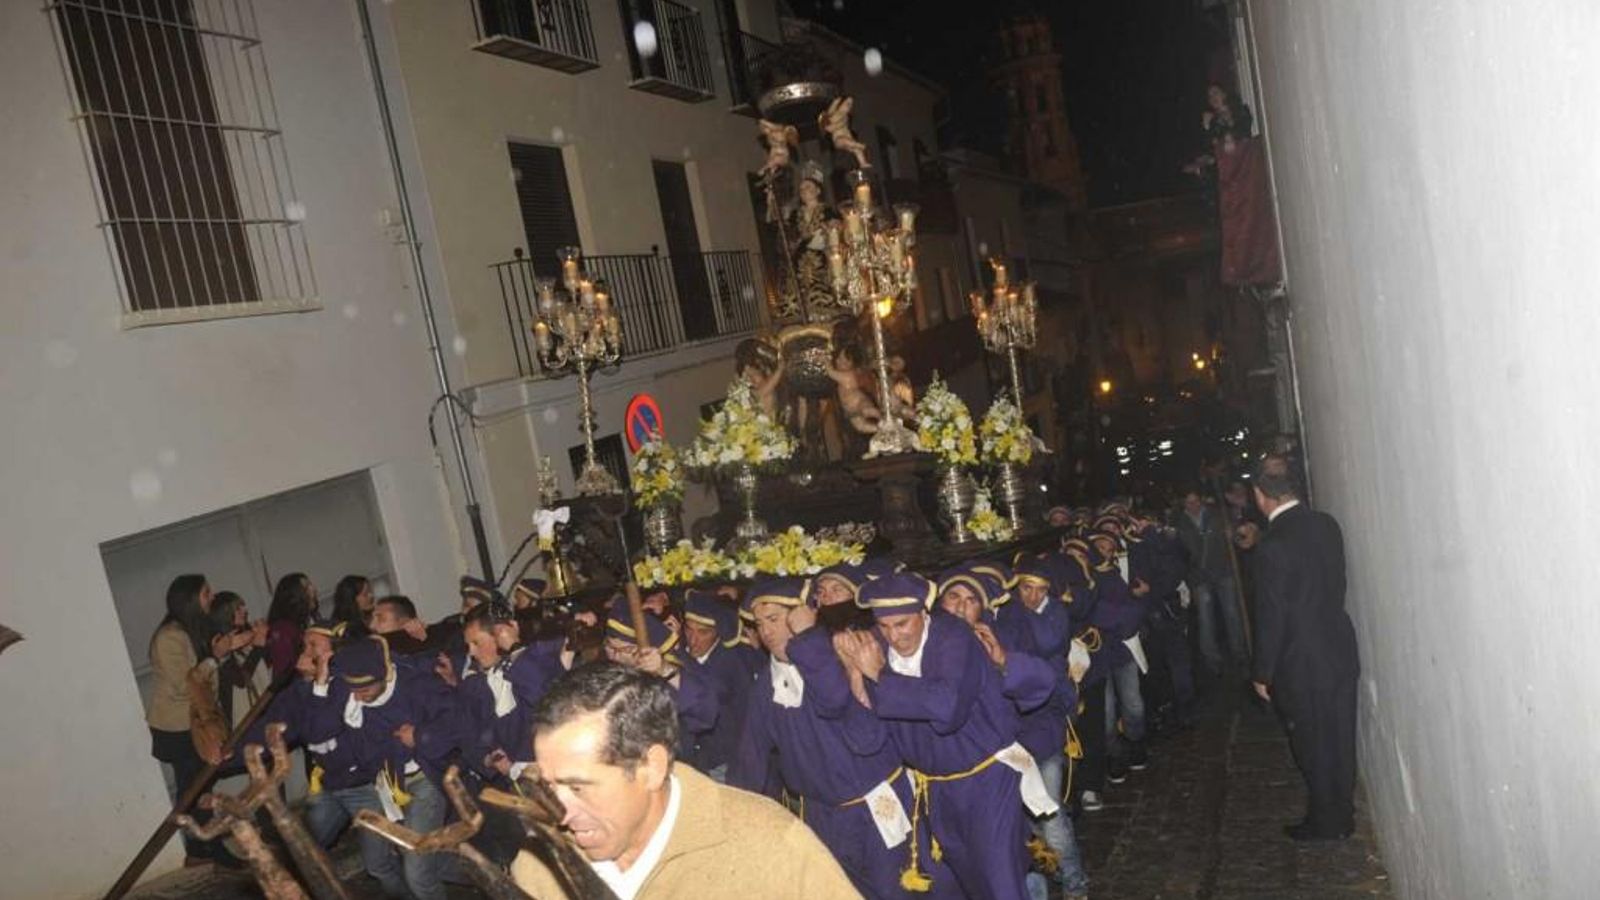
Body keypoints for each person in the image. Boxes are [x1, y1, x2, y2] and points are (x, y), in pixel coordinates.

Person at [510, 661, 861, 899]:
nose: (559, 812)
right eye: (548, 785)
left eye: (577, 788)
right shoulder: (539, 865)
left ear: (652, 767)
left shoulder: (769, 845)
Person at [835, 573, 1050, 900]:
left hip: (986, 780)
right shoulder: (876, 648)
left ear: (924, 614)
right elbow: (867, 738)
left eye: (903, 624)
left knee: (1001, 881)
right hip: (936, 788)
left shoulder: (954, 638)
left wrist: (878, 675)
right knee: (970, 881)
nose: (895, 636)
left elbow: (947, 712)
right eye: (885, 626)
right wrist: (854, 675)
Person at [730, 578, 934, 899]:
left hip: (876, 806)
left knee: (899, 892)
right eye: (759, 623)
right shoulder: (764, 687)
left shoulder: (842, 655)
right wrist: (733, 814)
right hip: (823, 817)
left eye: (774, 619)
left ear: (802, 616)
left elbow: (865, 736)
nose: (766, 631)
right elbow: (750, 757)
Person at [1249, 466, 1361, 841]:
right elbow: (1337, 581)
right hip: (1338, 644)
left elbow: (1272, 615)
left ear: (1261, 496)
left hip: (1301, 659)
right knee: (1340, 736)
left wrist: (1263, 672)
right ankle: (1341, 813)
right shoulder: (1326, 525)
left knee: (1311, 742)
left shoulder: (1273, 545)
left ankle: (1326, 821)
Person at [328, 636, 464, 899]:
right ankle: (486, 871)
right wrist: (355, 727)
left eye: (367, 688)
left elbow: (455, 722)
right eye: (354, 690)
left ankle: (485, 871)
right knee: (424, 859)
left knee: (417, 871)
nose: (360, 696)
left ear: (385, 675)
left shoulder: (416, 685)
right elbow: (364, 759)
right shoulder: (354, 704)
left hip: (424, 779)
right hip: (390, 786)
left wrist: (420, 735)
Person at [145, 574, 239, 867]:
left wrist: (220, 654)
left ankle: (202, 849)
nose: (211, 598)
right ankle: (205, 850)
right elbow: (185, 684)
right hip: (178, 727)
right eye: (206, 593)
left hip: (196, 723)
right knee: (193, 790)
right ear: (189, 599)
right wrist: (215, 657)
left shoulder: (189, 631)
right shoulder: (169, 637)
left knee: (200, 787)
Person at [1176, 489, 1248, 674]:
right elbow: (1181, 554)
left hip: (1223, 571)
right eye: (1189, 502)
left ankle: (1240, 654)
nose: (1193, 506)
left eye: (1195, 501)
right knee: (1206, 619)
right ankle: (1212, 659)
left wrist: (1234, 531)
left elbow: (1237, 536)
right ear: (1184, 504)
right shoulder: (1179, 524)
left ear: (1201, 501)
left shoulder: (1218, 516)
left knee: (1232, 614)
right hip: (1199, 577)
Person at [208, 591, 270, 727]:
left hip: (264, 706)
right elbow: (240, 680)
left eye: (242, 606)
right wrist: (258, 648)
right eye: (237, 608)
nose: (244, 610)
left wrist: (263, 638)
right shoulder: (220, 644)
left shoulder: (246, 634)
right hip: (243, 717)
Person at [266, 573, 319, 681]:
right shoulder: (282, 630)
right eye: (306, 587)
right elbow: (284, 673)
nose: (314, 590)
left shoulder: (310, 619)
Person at [331, 575, 375, 639]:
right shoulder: (346, 631)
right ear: (352, 599)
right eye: (365, 594)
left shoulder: (372, 618)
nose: (371, 596)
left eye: (370, 591)